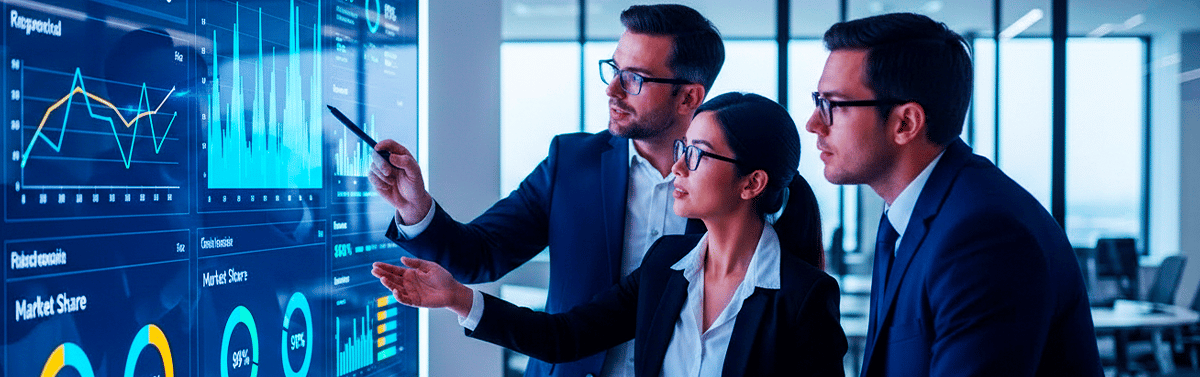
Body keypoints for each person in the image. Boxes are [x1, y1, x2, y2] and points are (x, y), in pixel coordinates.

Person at [373, 92, 848, 376]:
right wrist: (459, 298)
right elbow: (566, 335)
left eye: (698, 154)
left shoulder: (804, 295)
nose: (679, 166)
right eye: (684, 148)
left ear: (752, 183)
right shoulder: (667, 264)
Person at [368, 4, 724, 377]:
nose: (612, 89)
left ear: (687, 98)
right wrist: (416, 208)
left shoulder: (729, 184)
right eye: (615, 69)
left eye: (634, 78)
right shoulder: (570, 163)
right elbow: (480, 254)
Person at [804, 13, 1102, 376]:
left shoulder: (984, 236)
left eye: (832, 105)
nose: (814, 124)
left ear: (905, 123)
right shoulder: (906, 216)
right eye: (819, 100)